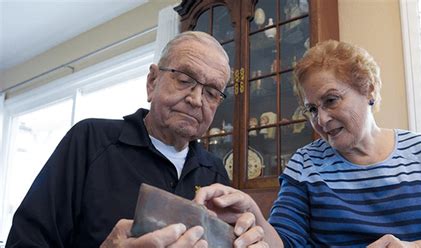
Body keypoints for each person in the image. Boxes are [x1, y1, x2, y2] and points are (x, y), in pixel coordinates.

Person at [194, 40, 421, 247]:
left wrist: (415, 247)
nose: (322, 119)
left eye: (331, 100)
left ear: (369, 90)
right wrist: (255, 214)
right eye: (312, 109)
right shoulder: (305, 164)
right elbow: (285, 243)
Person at [6, 31, 263, 247]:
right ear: (152, 81)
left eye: (211, 93)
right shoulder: (89, 141)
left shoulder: (214, 171)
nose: (196, 100)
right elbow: (24, 241)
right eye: (185, 80)